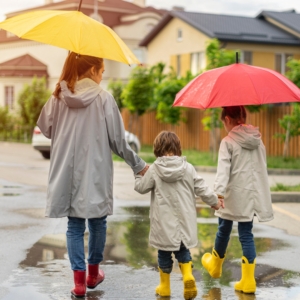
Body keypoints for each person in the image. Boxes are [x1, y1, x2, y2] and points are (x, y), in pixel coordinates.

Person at [37, 52, 148, 298]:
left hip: (67, 171)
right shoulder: (105, 99)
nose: (102, 76)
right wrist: (138, 164)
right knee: (97, 222)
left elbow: (45, 128)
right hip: (95, 172)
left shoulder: (58, 96)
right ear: (92, 70)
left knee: (74, 225)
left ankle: (78, 282)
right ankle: (93, 273)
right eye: (102, 71)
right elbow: (119, 141)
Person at [134, 131, 224, 300]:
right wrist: (215, 202)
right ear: (177, 148)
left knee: (164, 253)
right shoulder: (188, 168)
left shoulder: (154, 170)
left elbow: (141, 188)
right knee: (183, 250)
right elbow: (202, 188)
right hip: (184, 221)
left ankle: (165, 287)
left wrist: (138, 172)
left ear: (157, 149)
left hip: (163, 223)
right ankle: (188, 276)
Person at [201, 106, 274, 294]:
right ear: (244, 116)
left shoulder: (228, 142)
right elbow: (260, 169)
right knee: (246, 234)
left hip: (231, 196)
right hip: (250, 197)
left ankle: (215, 266)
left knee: (223, 229)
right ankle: (248, 282)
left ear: (226, 119)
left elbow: (223, 171)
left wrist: (217, 195)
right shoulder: (258, 141)